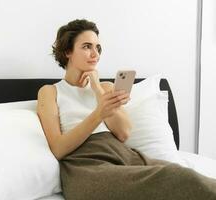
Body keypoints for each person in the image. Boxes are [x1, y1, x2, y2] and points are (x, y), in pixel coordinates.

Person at [37, 19, 216, 200]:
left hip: (125, 157)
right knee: (182, 179)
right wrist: (99, 113)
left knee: (185, 174)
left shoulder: (105, 87)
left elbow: (123, 133)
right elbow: (58, 149)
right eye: (86, 46)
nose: (95, 54)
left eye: (98, 48)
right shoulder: (50, 92)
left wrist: (97, 89)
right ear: (67, 51)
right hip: (87, 167)